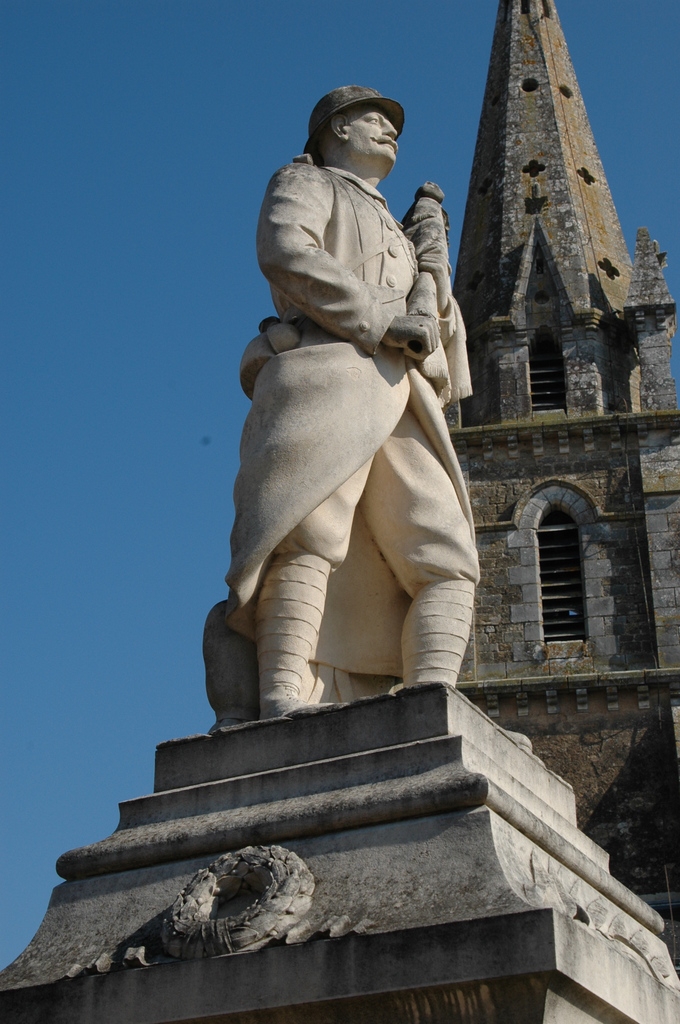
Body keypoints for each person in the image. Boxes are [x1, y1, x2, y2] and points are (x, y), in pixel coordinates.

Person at [225, 86, 479, 719]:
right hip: (329, 371)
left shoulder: (398, 227)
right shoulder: (307, 182)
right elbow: (287, 252)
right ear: (336, 129)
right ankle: (284, 696)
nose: (390, 131)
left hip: (403, 389)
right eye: (374, 120)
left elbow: (437, 335)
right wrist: (377, 318)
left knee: (447, 554)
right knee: (307, 529)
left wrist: (435, 281)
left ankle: (431, 703)